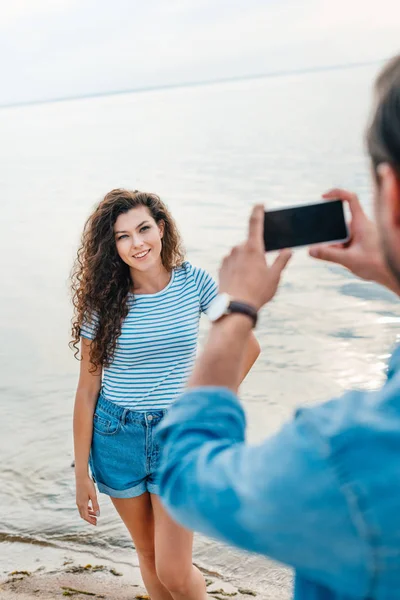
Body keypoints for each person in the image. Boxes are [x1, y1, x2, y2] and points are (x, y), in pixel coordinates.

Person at [157, 55, 400, 599]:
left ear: (392, 195)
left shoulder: (352, 454)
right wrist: (391, 273)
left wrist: (234, 310)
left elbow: (187, 474)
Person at [70, 188, 260, 600]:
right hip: (115, 436)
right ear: (111, 246)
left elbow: (247, 346)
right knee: (149, 556)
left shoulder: (193, 282)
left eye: (143, 229)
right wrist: (81, 474)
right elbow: (88, 391)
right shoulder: (102, 302)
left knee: (174, 570)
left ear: (161, 228)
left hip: (177, 437)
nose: (137, 243)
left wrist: (204, 406)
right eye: (123, 236)